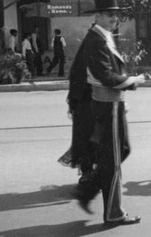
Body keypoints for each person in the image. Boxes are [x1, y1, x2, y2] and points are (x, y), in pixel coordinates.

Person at [75, 0, 146, 226]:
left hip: (111, 103)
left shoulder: (102, 35)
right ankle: (113, 211)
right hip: (108, 105)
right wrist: (133, 80)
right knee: (114, 158)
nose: (115, 18)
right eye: (109, 14)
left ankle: (91, 187)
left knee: (121, 150)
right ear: (97, 16)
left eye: (116, 14)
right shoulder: (96, 39)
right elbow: (106, 77)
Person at [58, 26, 96, 186]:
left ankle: (92, 171)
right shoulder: (91, 50)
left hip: (93, 102)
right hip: (86, 102)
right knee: (88, 138)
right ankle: (88, 172)